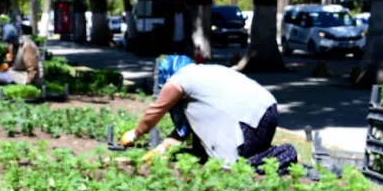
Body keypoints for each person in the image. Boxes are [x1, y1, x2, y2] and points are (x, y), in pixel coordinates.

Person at [121, 55, 297, 171]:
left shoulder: (179, 79)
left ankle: (283, 154)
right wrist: (160, 150)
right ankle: (266, 155)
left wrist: (135, 134)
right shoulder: (202, 76)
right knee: (211, 153)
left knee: (232, 168)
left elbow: (155, 111)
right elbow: (184, 130)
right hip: (267, 111)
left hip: (250, 118)